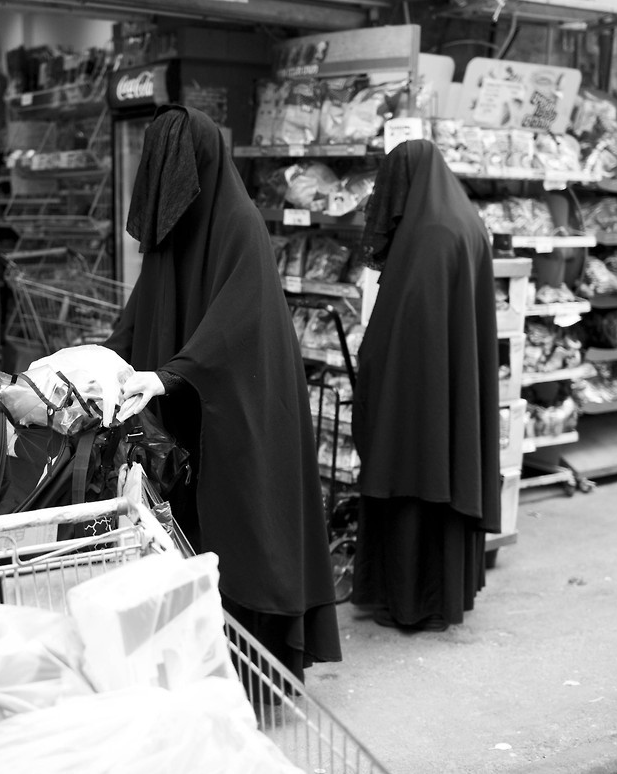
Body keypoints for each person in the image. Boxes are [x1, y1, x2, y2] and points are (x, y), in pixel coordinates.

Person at [103, 104, 341, 679]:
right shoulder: (171, 233)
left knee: (239, 536)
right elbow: (141, 313)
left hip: (239, 414)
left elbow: (239, 327)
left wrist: (169, 374)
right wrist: (99, 365)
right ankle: (193, 669)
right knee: (178, 534)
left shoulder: (239, 226)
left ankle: (247, 676)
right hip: (180, 415)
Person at [350, 138, 501, 632]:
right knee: (441, 470)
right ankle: (445, 594)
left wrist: (374, 372)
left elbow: (408, 328)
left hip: (418, 396)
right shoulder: (465, 222)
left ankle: (410, 601)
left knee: (414, 477)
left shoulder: (431, 235)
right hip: (449, 387)